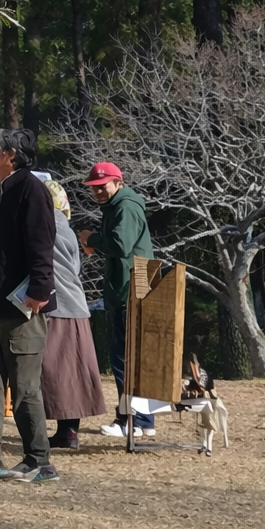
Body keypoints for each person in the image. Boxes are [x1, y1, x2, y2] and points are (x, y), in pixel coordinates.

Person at [0, 128, 58, 483]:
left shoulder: (31, 190)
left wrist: (39, 290)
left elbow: (41, 243)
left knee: (24, 387)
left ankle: (39, 460)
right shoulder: (0, 192)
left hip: (23, 306)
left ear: (10, 154)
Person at [78, 161, 157, 437]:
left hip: (130, 293)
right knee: (133, 359)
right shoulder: (119, 205)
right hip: (131, 289)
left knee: (124, 359)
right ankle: (143, 422)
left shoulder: (125, 206)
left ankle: (130, 422)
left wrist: (92, 238)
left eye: (103, 185)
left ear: (118, 182)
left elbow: (121, 245)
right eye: (94, 187)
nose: (98, 191)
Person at [41, 181, 107, 450]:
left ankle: (62, 433)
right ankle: (68, 432)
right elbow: (76, 267)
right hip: (76, 304)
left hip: (55, 305)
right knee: (75, 372)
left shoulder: (41, 225)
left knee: (53, 370)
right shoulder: (65, 228)